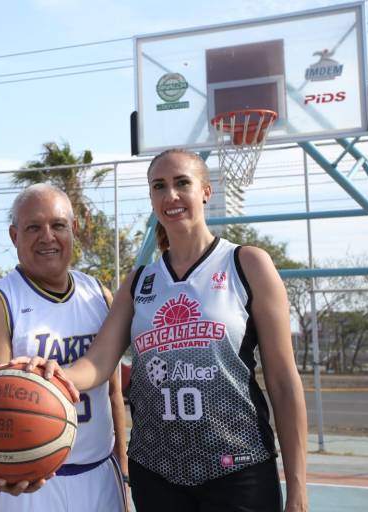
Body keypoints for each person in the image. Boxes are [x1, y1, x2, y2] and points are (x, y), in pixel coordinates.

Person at [16, 149, 308, 512]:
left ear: (205, 190)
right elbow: (98, 363)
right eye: (159, 186)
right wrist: (53, 374)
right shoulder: (140, 281)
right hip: (156, 473)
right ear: (152, 198)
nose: (170, 195)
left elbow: (283, 380)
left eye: (181, 183)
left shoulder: (246, 264)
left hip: (239, 465)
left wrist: (297, 488)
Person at [0, 183, 129, 512]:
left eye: (57, 225)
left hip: (98, 471)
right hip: (27, 483)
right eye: (33, 227)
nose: (47, 237)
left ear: (74, 230)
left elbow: (112, 391)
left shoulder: (98, 294)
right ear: (14, 236)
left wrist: (122, 470)